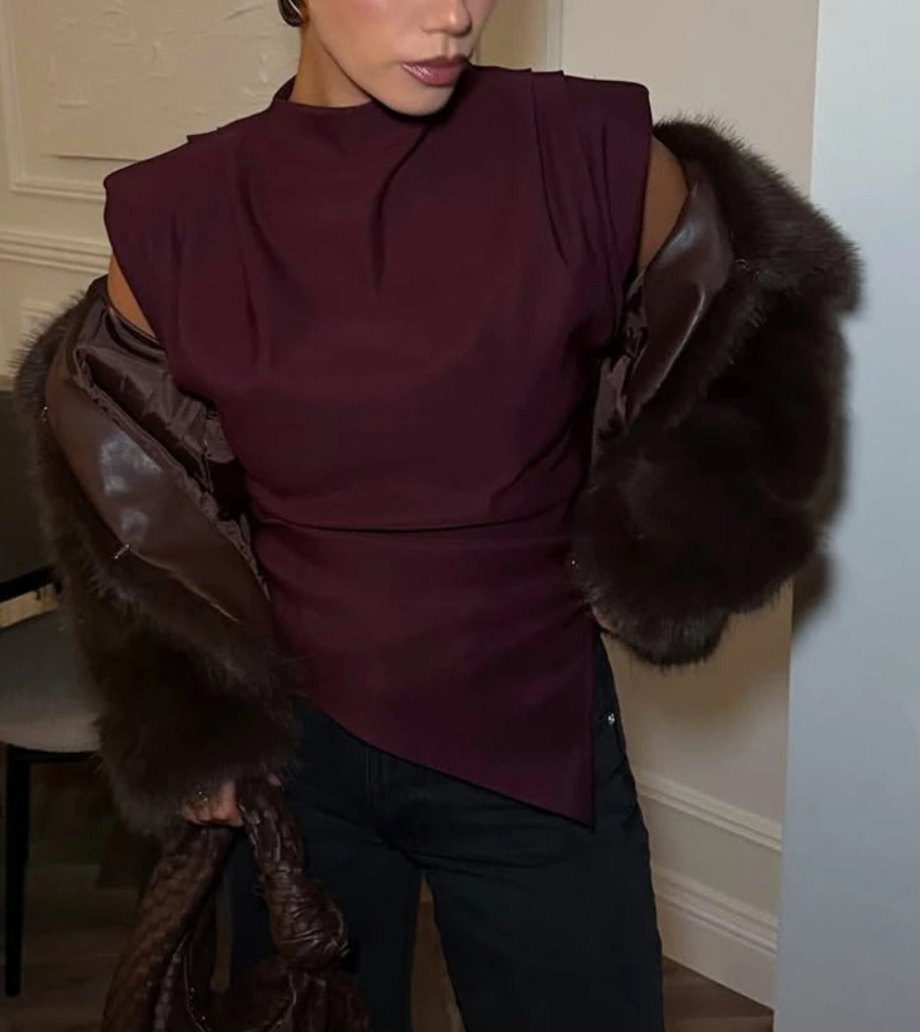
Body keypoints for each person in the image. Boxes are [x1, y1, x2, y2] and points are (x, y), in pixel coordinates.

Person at [15, 1, 859, 1029]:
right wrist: (190, 712)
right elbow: (132, 482)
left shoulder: (588, 154)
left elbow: (746, 324)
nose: (455, 13)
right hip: (297, 757)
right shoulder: (180, 213)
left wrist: (664, 544)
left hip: (532, 741)